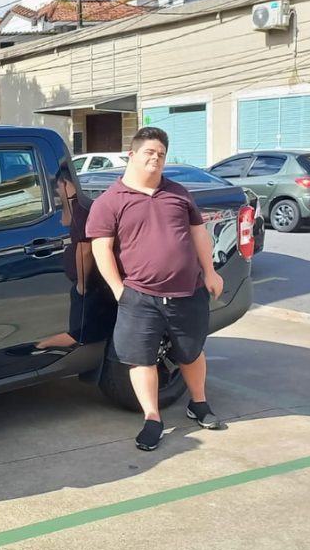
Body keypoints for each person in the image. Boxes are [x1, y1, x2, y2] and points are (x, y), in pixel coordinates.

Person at [85, 127, 225, 451]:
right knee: (141, 359)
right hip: (140, 296)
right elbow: (101, 249)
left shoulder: (178, 193)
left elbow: (199, 234)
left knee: (191, 352)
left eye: (161, 154)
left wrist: (210, 272)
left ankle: (198, 403)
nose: (156, 158)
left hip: (187, 292)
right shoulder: (110, 201)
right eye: (149, 152)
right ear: (131, 155)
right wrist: (119, 290)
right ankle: (152, 419)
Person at [36, 162, 96, 351]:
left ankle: (43, 346)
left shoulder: (81, 210)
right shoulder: (73, 208)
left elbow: (85, 250)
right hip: (79, 284)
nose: (56, 191)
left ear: (65, 183)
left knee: (79, 334)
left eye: (57, 186)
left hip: (85, 286)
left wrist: (81, 285)